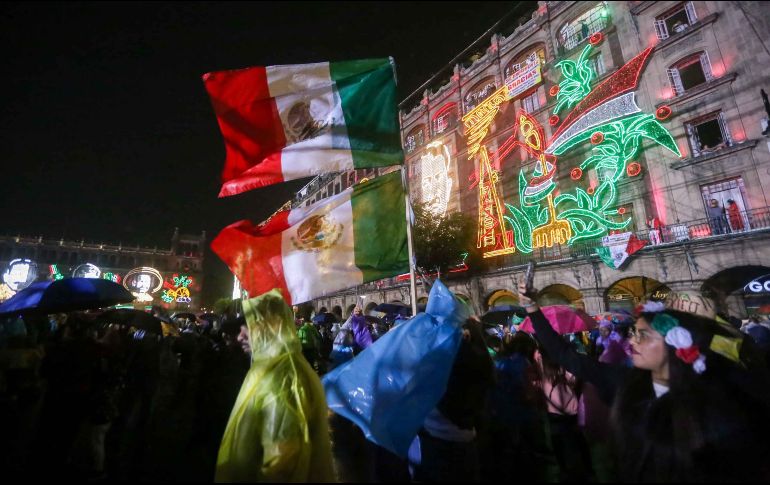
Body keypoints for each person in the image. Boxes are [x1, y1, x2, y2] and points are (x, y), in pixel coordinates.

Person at [517, 282, 770, 482]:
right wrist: (532, 309)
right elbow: (565, 355)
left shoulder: (718, 395)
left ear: (677, 342)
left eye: (644, 335)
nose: (632, 342)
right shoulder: (624, 381)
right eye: (634, 333)